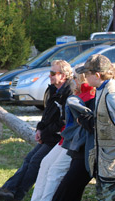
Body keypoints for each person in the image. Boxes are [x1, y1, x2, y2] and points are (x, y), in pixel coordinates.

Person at [0, 60, 74, 201]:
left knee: (35, 161)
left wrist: (44, 133)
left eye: (53, 73)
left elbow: (62, 121)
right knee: (29, 159)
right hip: (49, 134)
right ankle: (9, 189)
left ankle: (16, 195)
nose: (49, 75)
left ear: (63, 76)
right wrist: (39, 129)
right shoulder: (54, 89)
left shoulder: (68, 92)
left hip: (57, 138)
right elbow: (47, 114)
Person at [74, 54, 115, 201]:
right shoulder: (102, 90)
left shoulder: (114, 95)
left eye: (86, 74)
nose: (84, 77)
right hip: (108, 163)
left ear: (97, 75)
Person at [31, 66, 95, 201]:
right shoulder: (77, 94)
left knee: (55, 172)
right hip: (66, 140)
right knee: (45, 164)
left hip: (75, 142)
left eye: (76, 78)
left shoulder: (90, 96)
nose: (74, 81)